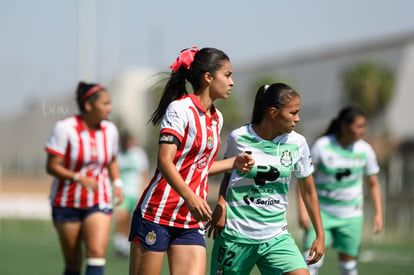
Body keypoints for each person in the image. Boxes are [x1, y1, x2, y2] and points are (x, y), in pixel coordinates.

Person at [128, 47, 255, 275]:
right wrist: (190, 196)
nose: (232, 82)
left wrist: (234, 163)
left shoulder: (217, 118)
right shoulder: (180, 109)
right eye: (227, 75)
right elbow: (165, 161)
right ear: (208, 77)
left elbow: (199, 167)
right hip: (157, 213)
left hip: (190, 219)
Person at [207, 83, 325, 275]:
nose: (298, 118)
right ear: (273, 113)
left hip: (275, 236)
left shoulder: (298, 143)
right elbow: (227, 173)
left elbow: (309, 191)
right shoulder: (239, 137)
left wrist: (320, 234)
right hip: (236, 235)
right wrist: (221, 203)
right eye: (293, 113)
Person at [45, 81, 124, 275]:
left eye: (110, 103)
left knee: (96, 253)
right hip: (66, 200)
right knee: (73, 262)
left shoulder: (110, 130)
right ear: (88, 105)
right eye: (105, 103)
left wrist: (117, 184)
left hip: (99, 198)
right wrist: (78, 177)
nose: (109, 108)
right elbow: (51, 166)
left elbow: (111, 160)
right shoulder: (65, 128)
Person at [297, 105, 384, 275]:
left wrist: (379, 214)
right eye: (359, 126)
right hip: (322, 214)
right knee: (310, 262)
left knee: (349, 267)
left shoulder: (365, 150)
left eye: (364, 126)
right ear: (344, 126)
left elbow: (373, 183)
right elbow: (304, 180)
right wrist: (302, 212)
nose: (363, 131)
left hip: (351, 216)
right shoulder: (322, 146)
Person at [114, 130, 149, 257]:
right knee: (121, 217)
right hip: (122, 192)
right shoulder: (118, 154)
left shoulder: (138, 154)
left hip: (136, 192)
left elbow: (144, 172)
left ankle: (128, 243)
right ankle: (120, 244)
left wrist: (143, 190)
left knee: (131, 220)